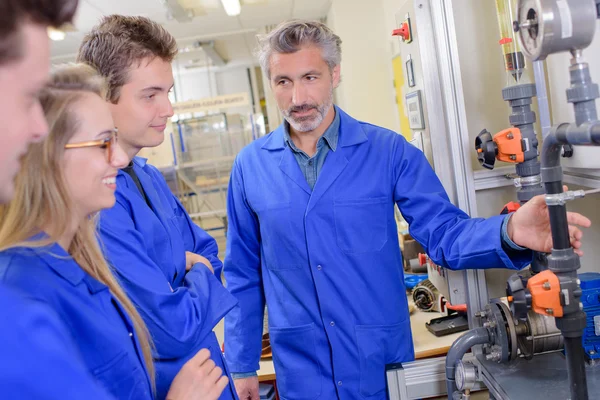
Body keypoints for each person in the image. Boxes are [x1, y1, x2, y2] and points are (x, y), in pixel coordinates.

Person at [223, 19, 592, 400]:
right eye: (283, 81)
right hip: (302, 370)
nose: (297, 97)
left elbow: (445, 234)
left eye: (310, 77)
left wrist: (511, 229)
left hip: (379, 363)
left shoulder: (388, 151)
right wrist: (241, 363)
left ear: (334, 74)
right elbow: (242, 275)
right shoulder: (250, 167)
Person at [0, 64, 229, 400]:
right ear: (46, 156)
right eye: (103, 143)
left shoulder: (81, 263)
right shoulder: (19, 295)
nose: (120, 158)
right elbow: (172, 328)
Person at [77, 15, 239, 400]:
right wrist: (194, 272)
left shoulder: (147, 175)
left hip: (210, 376)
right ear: (103, 97)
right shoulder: (100, 203)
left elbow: (207, 252)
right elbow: (170, 329)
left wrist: (189, 269)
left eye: (168, 91)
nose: (168, 109)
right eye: (150, 95)